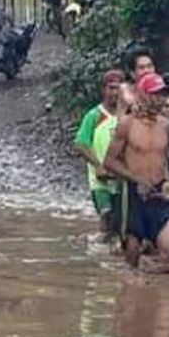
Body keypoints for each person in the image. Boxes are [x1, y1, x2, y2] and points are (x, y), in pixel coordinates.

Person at [104, 72, 169, 273]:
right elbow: (109, 162)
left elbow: (164, 159)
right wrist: (137, 180)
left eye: (163, 94)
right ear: (143, 95)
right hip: (132, 194)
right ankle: (132, 297)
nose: (160, 99)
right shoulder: (127, 124)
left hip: (158, 192)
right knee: (133, 255)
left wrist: (168, 181)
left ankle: (157, 298)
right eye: (155, 94)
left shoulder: (165, 125)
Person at [75, 70, 123, 237]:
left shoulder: (128, 117)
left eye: (118, 88)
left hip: (122, 178)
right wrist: (97, 165)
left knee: (122, 222)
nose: (115, 93)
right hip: (100, 180)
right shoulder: (94, 116)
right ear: (103, 90)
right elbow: (81, 144)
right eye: (111, 88)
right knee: (106, 214)